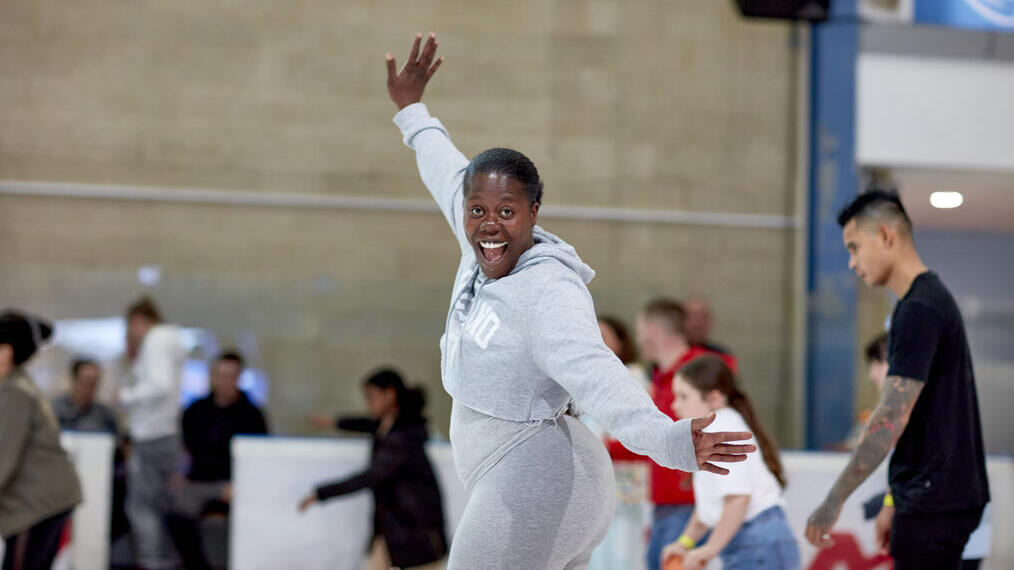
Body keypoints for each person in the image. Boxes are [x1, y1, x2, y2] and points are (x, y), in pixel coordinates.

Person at [382, 33, 755, 569]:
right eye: (477, 210)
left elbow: (595, 372)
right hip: (524, 473)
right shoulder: (475, 236)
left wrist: (667, 440)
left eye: (506, 212)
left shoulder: (548, 292)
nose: (489, 226)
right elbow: (445, 169)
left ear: (534, 211)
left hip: (541, 475)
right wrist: (412, 110)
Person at [805, 191, 989, 570]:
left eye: (855, 248)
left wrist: (834, 500)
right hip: (934, 497)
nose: (853, 264)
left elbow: (889, 420)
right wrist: (892, 499)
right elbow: (922, 424)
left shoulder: (919, 308)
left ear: (886, 237)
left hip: (933, 502)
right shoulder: (924, 302)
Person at [615, 298, 738, 570]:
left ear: (653, 330)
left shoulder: (702, 373)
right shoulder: (659, 379)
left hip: (689, 506)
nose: (639, 338)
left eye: (641, 329)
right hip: (664, 504)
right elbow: (652, 439)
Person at [661, 355, 799, 570]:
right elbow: (709, 506)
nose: (675, 405)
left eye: (683, 396)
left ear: (714, 399)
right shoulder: (712, 432)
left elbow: (738, 499)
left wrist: (708, 550)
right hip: (757, 542)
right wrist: (684, 543)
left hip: (756, 543)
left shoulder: (721, 427)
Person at [301, 368, 447, 570]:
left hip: (415, 533)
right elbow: (364, 424)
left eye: (371, 397)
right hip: (392, 531)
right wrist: (333, 422)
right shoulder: (387, 424)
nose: (368, 403)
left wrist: (320, 493)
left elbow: (370, 477)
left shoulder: (402, 437)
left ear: (390, 395)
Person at [167, 351, 268, 570]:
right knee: (175, 508)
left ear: (239, 378)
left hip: (234, 484)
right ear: (212, 376)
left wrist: (241, 484)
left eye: (231, 375)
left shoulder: (252, 414)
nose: (225, 381)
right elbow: (185, 450)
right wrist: (180, 473)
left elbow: (260, 456)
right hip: (198, 481)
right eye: (220, 375)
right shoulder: (195, 410)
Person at [1, 311, 83, 570]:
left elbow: (3, 460)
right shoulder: (17, 386)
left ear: (6, 352)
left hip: (34, 506)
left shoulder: (14, 393)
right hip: (42, 503)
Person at [117, 297, 186, 570]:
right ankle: (162, 560)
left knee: (140, 508)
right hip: (165, 434)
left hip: (152, 436)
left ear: (139, 320)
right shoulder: (170, 341)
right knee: (156, 508)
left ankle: (151, 562)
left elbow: (160, 385)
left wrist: (126, 396)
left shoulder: (155, 340)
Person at [588, 316, 650, 570]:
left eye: (605, 336)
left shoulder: (632, 376)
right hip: (595, 478)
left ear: (620, 343)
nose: (598, 342)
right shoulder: (586, 378)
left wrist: (604, 447)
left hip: (625, 478)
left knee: (624, 548)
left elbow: (641, 431)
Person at [52, 358, 120, 434]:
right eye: (86, 381)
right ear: (74, 379)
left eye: (94, 383)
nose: (90, 388)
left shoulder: (105, 415)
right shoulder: (55, 410)